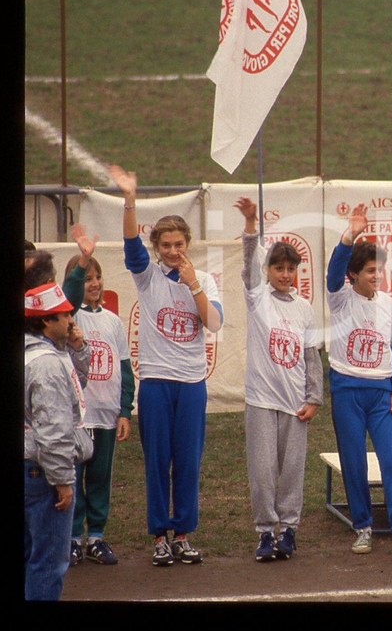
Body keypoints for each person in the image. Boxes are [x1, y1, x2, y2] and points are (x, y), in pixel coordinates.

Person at [109, 164, 223, 566]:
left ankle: (183, 533)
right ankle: (160, 535)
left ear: (189, 243)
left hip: (192, 383)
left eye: (179, 244)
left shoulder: (204, 279)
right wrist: (129, 201)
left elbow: (214, 323)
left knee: (188, 462)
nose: (174, 252)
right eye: (167, 245)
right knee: (158, 462)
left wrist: (193, 284)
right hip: (156, 382)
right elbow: (130, 245)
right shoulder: (147, 277)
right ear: (157, 248)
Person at [326, 203, 392, 557]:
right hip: (347, 391)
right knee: (354, 462)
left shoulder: (388, 304)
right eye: (369, 271)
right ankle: (363, 527)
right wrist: (349, 237)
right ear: (353, 274)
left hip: (382, 394)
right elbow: (333, 272)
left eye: (379, 270)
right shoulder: (339, 298)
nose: (377, 276)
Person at [235, 198, 324, 562]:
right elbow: (248, 264)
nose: (286, 275)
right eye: (279, 268)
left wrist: (314, 397)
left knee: (291, 471)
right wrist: (251, 225)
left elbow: (311, 356)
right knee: (262, 470)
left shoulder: (304, 308)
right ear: (268, 270)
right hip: (261, 399)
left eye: (291, 269)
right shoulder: (257, 297)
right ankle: (264, 531)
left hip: (294, 403)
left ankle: (288, 529)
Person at [64, 252, 135, 566]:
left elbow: (125, 369)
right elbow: (69, 296)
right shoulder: (69, 317)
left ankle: (96, 537)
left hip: (106, 414)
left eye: (97, 277)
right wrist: (80, 266)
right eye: (87, 279)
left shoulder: (113, 321)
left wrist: (124, 411)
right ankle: (71, 538)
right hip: (78, 417)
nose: (94, 284)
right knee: (73, 475)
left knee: (99, 478)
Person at [24, 283, 94, 599]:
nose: (70, 319)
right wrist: (63, 480)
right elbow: (53, 429)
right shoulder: (47, 364)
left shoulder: (39, 355)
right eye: (63, 314)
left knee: (31, 558)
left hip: (31, 466)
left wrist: (77, 350)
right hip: (44, 473)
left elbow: (73, 389)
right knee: (48, 563)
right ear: (45, 321)